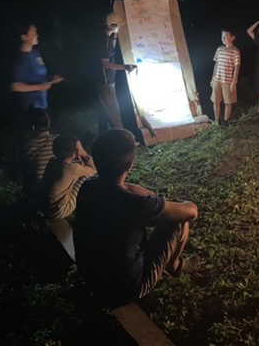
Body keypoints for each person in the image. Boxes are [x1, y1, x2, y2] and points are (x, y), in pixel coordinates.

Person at [74, 129, 200, 308]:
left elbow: (124, 188)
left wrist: (153, 200)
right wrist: (169, 203)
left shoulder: (88, 186)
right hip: (126, 289)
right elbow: (191, 211)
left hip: (91, 278)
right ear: (130, 165)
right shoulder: (135, 205)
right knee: (177, 219)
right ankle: (175, 266)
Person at [96, 12, 137, 131]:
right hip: (106, 81)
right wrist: (125, 67)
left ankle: (111, 134)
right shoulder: (104, 42)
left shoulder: (105, 36)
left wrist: (115, 34)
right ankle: (122, 137)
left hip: (107, 80)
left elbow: (111, 48)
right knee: (114, 114)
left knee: (109, 112)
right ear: (113, 25)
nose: (120, 27)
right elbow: (105, 63)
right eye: (118, 25)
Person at [11, 24, 64, 115]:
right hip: (31, 109)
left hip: (43, 104)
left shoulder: (36, 53)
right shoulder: (21, 59)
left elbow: (38, 76)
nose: (37, 35)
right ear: (24, 37)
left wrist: (52, 78)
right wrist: (39, 87)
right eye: (33, 33)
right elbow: (15, 86)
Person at [40, 134, 96, 220]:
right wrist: (83, 153)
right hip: (59, 211)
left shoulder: (52, 161)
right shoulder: (71, 168)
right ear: (75, 152)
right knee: (87, 176)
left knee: (78, 174)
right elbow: (95, 168)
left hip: (45, 206)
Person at [22, 108, 58, 204]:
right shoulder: (57, 140)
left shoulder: (28, 145)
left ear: (32, 127)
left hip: (37, 191)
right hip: (57, 188)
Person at [210, 30, 241, 126]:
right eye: (222, 36)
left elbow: (236, 68)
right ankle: (217, 120)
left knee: (228, 102)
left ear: (232, 38)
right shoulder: (219, 49)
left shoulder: (235, 51)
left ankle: (226, 121)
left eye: (226, 36)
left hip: (228, 81)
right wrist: (212, 78)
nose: (223, 38)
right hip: (217, 79)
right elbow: (216, 64)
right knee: (216, 101)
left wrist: (234, 82)